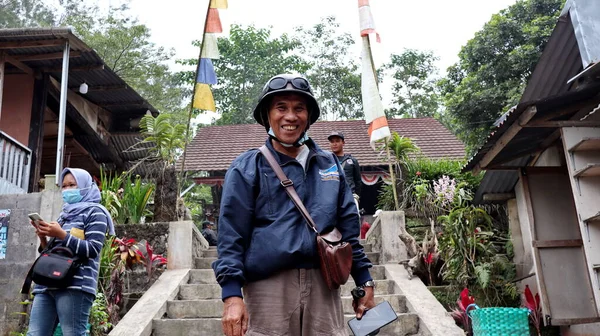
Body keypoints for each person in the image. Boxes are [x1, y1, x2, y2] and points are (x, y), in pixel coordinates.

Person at [212, 74, 375, 336]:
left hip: (325, 285)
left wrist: (365, 279)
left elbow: (348, 232)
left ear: (309, 116)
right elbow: (231, 235)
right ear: (267, 115)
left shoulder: (330, 165)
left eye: (299, 108)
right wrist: (232, 294)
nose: (290, 116)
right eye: (281, 108)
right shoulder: (247, 167)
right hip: (267, 289)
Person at [27, 168, 114, 336]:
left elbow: (92, 249)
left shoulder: (96, 212)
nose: (67, 190)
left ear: (85, 186)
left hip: (75, 285)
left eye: (72, 185)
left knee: (73, 333)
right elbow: (53, 253)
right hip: (46, 283)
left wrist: (61, 234)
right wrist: (44, 238)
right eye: (64, 186)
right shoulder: (64, 215)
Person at [328, 131, 362, 213]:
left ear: (343, 143)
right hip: (332, 197)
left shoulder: (352, 160)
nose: (334, 144)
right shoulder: (327, 161)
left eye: (337, 141)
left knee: (352, 220)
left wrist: (356, 196)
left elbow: (358, 181)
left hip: (350, 196)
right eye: (332, 141)